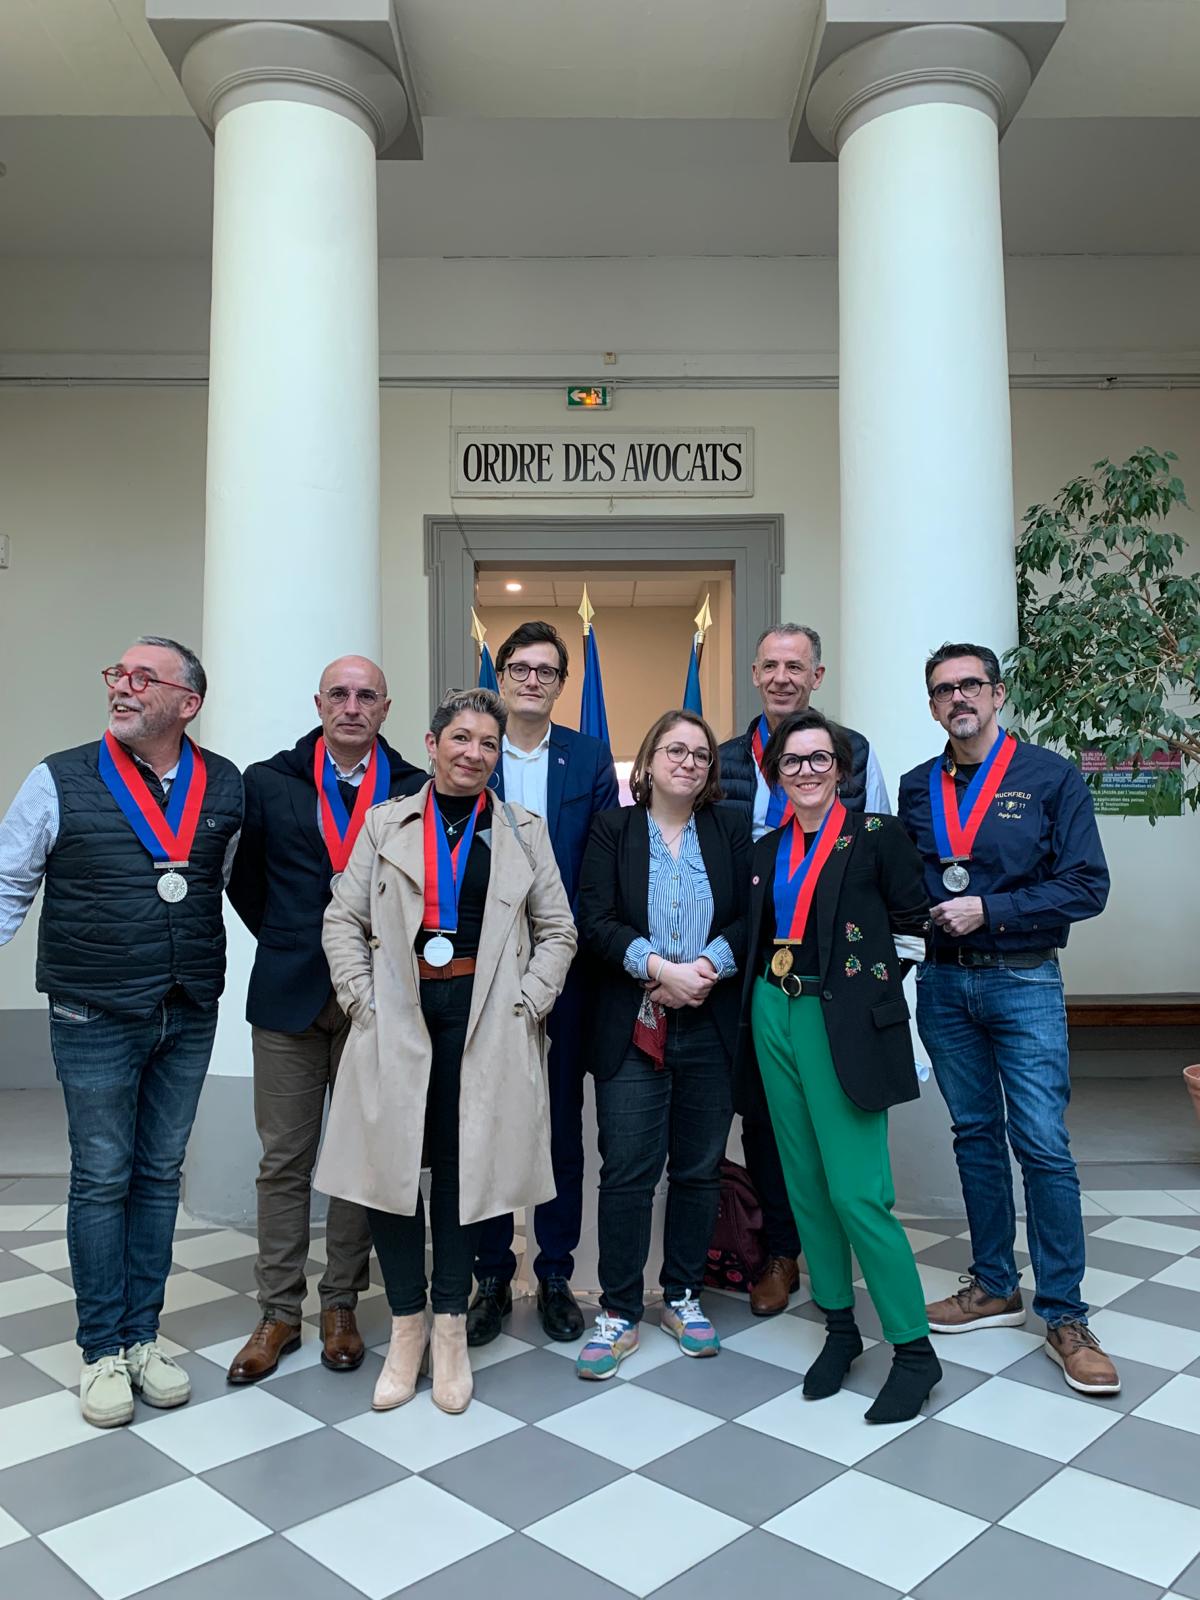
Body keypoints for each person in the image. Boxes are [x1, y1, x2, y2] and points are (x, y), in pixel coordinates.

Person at [0, 638, 243, 1428]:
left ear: (188, 703)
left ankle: (144, 1336)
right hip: (93, 1011)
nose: (123, 688)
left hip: (187, 1008)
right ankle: (101, 1348)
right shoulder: (58, 777)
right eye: (118, 675)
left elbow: (239, 883)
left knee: (160, 1172)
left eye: (145, 678)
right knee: (102, 1177)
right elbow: (9, 880)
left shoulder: (224, 785)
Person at [315, 688, 576, 1414]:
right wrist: (362, 1001)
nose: (474, 754)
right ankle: (406, 1328)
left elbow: (559, 929)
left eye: (488, 744)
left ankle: (452, 1329)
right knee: (391, 1173)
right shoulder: (383, 824)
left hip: (486, 1014)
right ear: (431, 746)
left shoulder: (523, 830)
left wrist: (528, 1001)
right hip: (397, 1015)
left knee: (465, 1174)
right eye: (460, 739)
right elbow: (343, 919)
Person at [898, 642, 1119, 1396]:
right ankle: (994, 1283)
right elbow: (909, 889)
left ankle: (1065, 1314)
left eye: (970, 685)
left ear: (995, 695)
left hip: (1025, 981)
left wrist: (990, 908)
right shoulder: (914, 787)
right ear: (931, 706)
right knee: (975, 1137)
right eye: (942, 690)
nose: (957, 698)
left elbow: (1088, 886)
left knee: (1044, 1146)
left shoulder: (1051, 777)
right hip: (943, 988)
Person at [223, 656, 422, 1384]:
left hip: (377, 1000)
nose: (351, 705)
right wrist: (288, 940)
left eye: (366, 694)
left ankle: (340, 1302)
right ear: (318, 703)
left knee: (361, 1161)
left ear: (384, 707)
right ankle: (277, 1311)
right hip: (289, 994)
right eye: (338, 693)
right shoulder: (268, 781)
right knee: (284, 1162)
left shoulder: (411, 788)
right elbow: (246, 882)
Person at [744, 708, 940, 1422]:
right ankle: (838, 1328)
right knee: (806, 1186)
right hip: (776, 1010)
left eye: (818, 759)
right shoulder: (766, 854)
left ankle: (915, 1351)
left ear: (842, 769)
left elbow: (915, 923)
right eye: (792, 762)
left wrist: (878, 1000)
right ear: (776, 774)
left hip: (843, 1020)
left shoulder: (877, 836)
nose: (806, 771)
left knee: (859, 1192)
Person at [718, 623, 890, 1315]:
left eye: (798, 666)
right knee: (764, 1116)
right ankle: (784, 1251)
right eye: (771, 666)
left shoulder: (851, 753)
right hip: (751, 965)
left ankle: (846, 1250)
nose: (783, 677)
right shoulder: (726, 757)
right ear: (755, 675)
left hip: (831, 972)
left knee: (838, 1108)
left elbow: (877, 850)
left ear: (817, 676)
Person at [574, 711, 750, 1378]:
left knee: (699, 1169)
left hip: (710, 1020)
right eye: (673, 749)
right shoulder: (612, 828)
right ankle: (618, 1311)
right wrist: (660, 969)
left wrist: (705, 970)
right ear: (646, 763)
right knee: (626, 1172)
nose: (688, 761)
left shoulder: (730, 830)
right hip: (634, 1020)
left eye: (700, 754)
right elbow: (595, 916)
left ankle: (682, 1296)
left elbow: (749, 916)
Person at [468, 621, 618, 1346]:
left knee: (559, 1121)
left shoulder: (588, 757)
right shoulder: (473, 748)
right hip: (482, 968)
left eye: (546, 671)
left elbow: (600, 860)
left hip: (568, 965)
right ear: (501, 675)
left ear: (563, 683)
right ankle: (491, 1274)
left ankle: (555, 1271)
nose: (532, 679)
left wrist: (560, 950)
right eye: (519, 667)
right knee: (489, 1119)